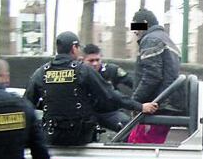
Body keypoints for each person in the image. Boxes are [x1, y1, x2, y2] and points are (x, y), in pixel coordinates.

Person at [25, 31, 158, 145]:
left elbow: (26, 104)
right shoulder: (83, 71)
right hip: (79, 136)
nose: (94, 63)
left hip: (53, 136)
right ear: (74, 48)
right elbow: (110, 94)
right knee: (128, 127)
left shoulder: (41, 72)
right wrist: (140, 106)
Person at [128, 8, 185, 144]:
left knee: (139, 144)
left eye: (136, 27)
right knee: (153, 143)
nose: (135, 32)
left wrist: (135, 102)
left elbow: (151, 76)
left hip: (158, 104)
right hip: (168, 104)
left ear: (145, 23)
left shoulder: (150, 39)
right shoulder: (167, 40)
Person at [82, 43, 133, 132]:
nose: (95, 63)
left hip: (109, 112)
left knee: (127, 125)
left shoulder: (112, 70)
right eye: (91, 61)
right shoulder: (77, 72)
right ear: (83, 60)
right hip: (87, 113)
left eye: (97, 60)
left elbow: (133, 83)